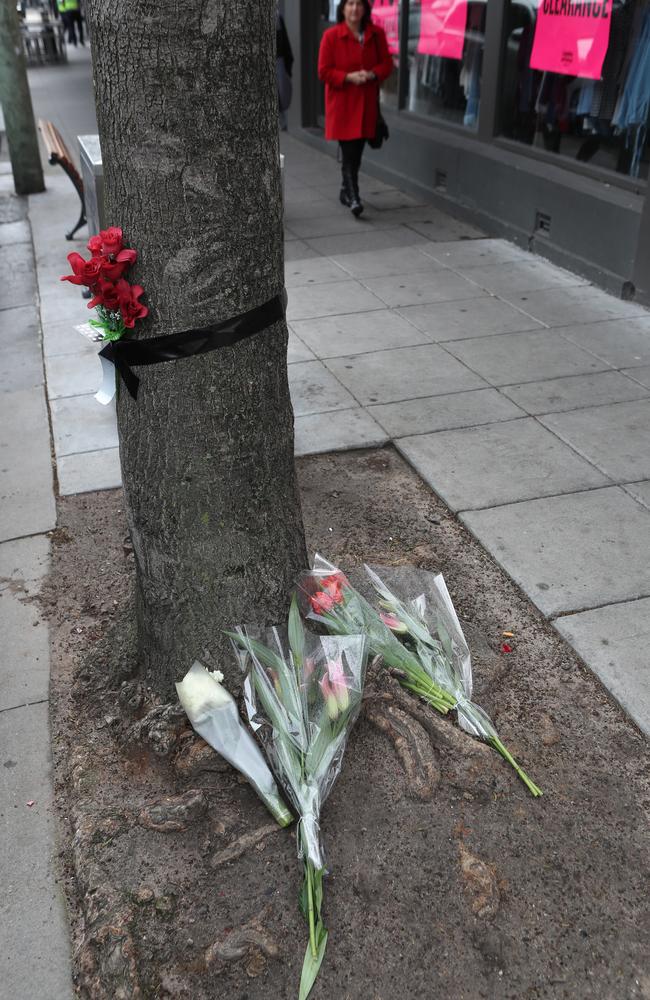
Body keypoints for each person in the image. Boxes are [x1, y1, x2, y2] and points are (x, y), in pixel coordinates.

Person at [318, 0, 393, 217]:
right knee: (349, 152)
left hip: (367, 105)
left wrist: (371, 74)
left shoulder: (376, 34)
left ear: (365, 9)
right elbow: (323, 72)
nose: (354, 9)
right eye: (350, 3)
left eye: (358, 4)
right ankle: (354, 197)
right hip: (343, 105)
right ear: (343, 8)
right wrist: (348, 77)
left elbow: (387, 65)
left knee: (356, 153)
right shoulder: (331, 36)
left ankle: (345, 190)